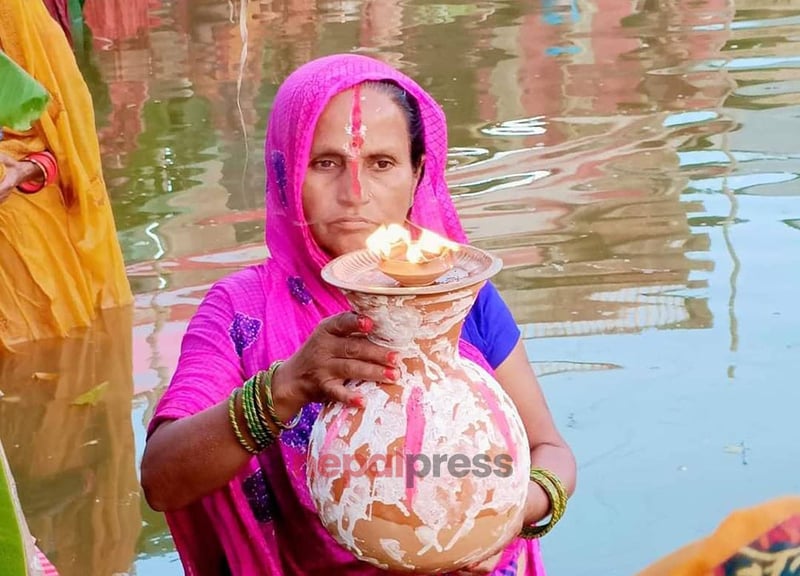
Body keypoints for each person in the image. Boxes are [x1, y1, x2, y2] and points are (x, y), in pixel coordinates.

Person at [141, 54, 577, 576]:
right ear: (284, 169)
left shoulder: (459, 294)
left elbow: (549, 448)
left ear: (418, 173)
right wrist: (285, 388)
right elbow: (162, 480)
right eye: (325, 163)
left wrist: (509, 514)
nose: (354, 194)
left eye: (381, 164)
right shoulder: (240, 310)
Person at [0, 0, 133, 353]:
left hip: (23, 215)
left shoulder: (18, 15)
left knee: (43, 358)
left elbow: (70, 143)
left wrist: (25, 169)